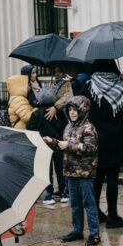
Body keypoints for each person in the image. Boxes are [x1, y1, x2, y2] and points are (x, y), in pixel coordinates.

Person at [43, 96, 101, 246]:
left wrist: (67, 145)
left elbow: (90, 148)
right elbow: (64, 147)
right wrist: (52, 142)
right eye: (69, 110)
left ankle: (95, 234)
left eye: (75, 109)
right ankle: (77, 230)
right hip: (70, 172)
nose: (72, 113)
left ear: (83, 110)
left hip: (85, 174)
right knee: (75, 205)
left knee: (89, 204)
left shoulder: (89, 128)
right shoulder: (68, 127)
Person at [87, 59, 123, 228]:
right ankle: (113, 216)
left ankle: (96, 213)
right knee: (113, 177)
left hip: (96, 137)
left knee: (98, 177)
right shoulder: (120, 86)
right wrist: (121, 78)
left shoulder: (90, 86)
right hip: (115, 137)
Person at [27, 65, 72, 205]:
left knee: (47, 171)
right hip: (58, 145)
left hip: (44, 146)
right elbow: (66, 128)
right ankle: (64, 193)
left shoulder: (36, 114)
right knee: (60, 169)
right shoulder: (58, 113)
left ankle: (49, 195)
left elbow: (31, 129)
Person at [7, 66, 37, 130]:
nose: (29, 87)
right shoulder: (19, 99)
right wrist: (38, 109)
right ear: (21, 86)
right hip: (21, 130)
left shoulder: (17, 97)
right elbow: (27, 117)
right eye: (27, 85)